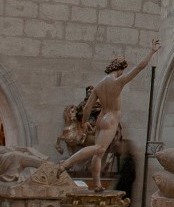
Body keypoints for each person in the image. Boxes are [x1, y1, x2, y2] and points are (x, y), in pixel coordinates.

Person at [60, 39, 161, 187]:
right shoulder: (117, 82)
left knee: (98, 154)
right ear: (120, 69)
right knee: (99, 149)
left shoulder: (99, 85)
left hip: (101, 118)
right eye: (122, 70)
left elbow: (87, 107)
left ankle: (97, 185)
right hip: (111, 118)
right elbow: (139, 67)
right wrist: (151, 51)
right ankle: (67, 163)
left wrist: (84, 122)